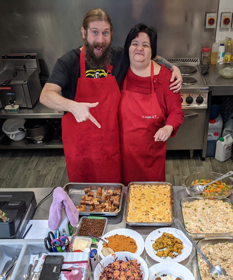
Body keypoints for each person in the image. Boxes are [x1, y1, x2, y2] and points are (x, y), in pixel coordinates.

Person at [40, 9, 182, 183]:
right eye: (94, 32)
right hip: (81, 149)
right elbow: (46, 95)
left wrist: (173, 68)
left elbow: (145, 53)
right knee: (85, 197)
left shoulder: (117, 56)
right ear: (83, 32)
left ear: (111, 33)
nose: (100, 40)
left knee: (112, 195)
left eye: (105, 33)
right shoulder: (69, 62)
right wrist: (73, 106)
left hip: (110, 147)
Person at [119, 23, 184, 185]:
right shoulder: (119, 70)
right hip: (122, 154)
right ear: (128, 47)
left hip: (151, 156)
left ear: (152, 51)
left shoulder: (165, 77)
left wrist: (168, 127)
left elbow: (176, 113)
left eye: (145, 45)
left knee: (150, 199)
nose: (139, 48)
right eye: (134, 44)